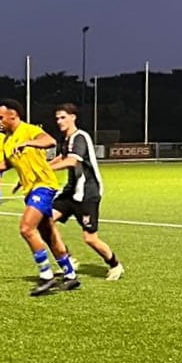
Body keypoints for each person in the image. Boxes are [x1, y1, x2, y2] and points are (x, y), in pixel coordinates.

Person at [0, 99, 79, 296]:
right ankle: (70, 275)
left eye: (1, 117)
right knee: (48, 234)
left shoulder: (28, 130)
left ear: (13, 115)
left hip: (44, 185)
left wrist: (29, 142)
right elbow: (6, 164)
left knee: (27, 228)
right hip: (30, 191)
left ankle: (47, 276)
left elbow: (49, 141)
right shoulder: (7, 140)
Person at [47, 103, 124, 280]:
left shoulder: (80, 137)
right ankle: (68, 260)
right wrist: (40, 168)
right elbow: (63, 156)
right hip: (70, 193)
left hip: (87, 194)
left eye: (63, 117)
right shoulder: (67, 139)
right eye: (57, 118)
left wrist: (47, 170)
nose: (59, 121)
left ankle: (115, 265)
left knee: (90, 239)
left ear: (73, 117)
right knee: (46, 221)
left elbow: (72, 161)